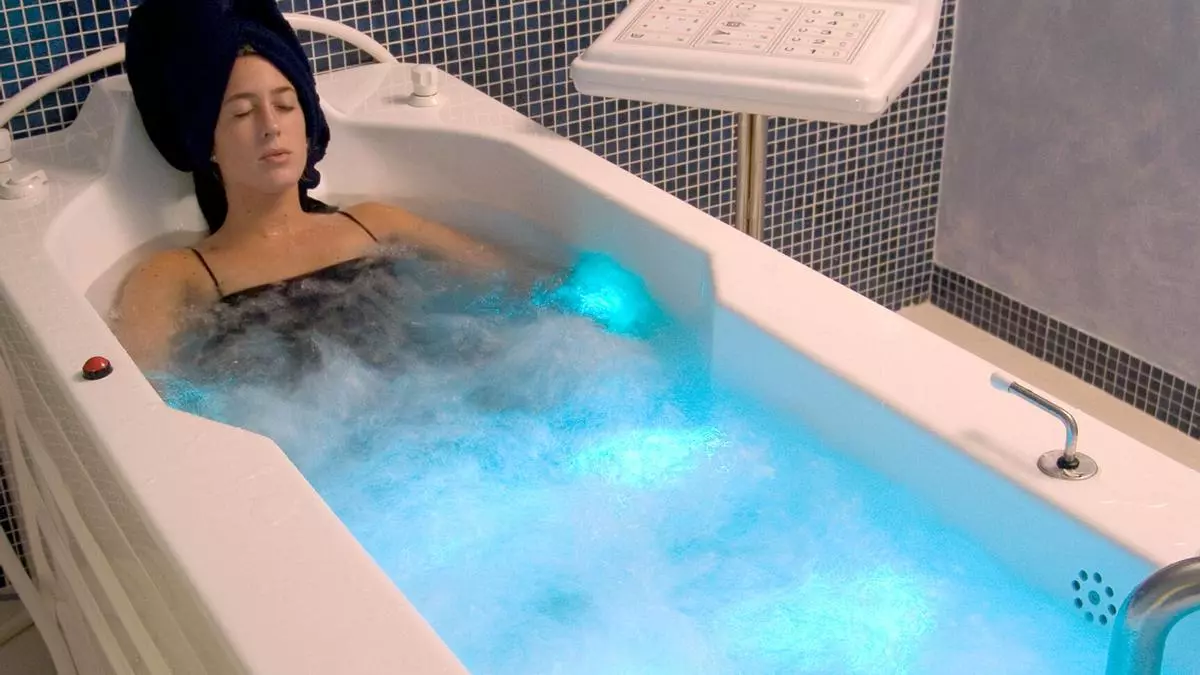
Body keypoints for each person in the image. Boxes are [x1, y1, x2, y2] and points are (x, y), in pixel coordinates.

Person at [111, 0, 518, 371]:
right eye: (242, 113)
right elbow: (143, 398)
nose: (271, 126)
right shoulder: (175, 274)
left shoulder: (377, 223)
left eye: (285, 105)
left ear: (307, 123)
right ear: (208, 142)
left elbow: (513, 285)